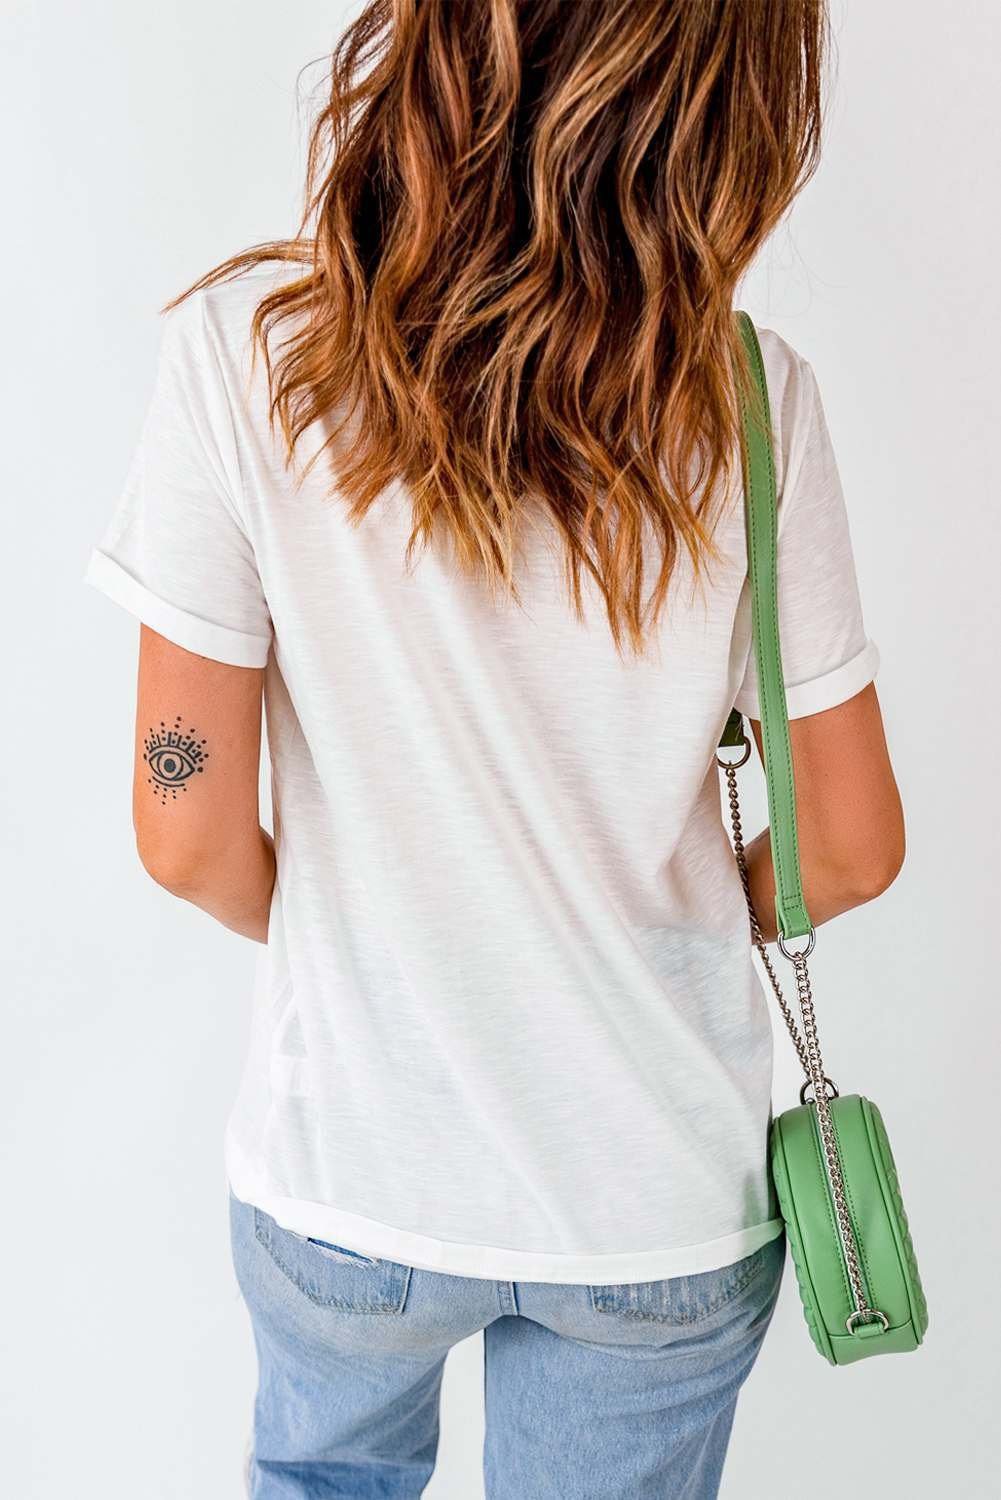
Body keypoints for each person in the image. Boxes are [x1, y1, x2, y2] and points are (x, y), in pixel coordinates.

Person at [82, 2, 905, 1495]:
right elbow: (845, 846)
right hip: (650, 1200)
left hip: (350, 1180)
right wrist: (630, 919)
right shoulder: (751, 403)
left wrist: (374, 924)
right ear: (723, 109)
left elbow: (180, 811)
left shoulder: (246, 359)